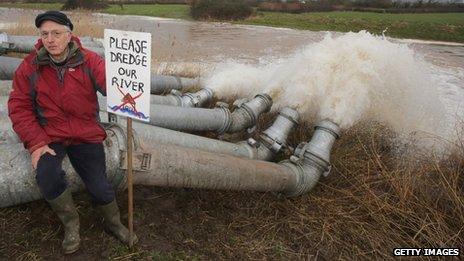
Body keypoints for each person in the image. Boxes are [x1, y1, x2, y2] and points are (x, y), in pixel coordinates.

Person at [7, 10, 137, 254]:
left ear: (69, 35)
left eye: (56, 33)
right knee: (47, 176)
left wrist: (126, 82)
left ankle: (114, 223)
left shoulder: (90, 61)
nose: (50, 39)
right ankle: (71, 225)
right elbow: (18, 106)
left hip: (85, 133)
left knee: (99, 185)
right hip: (50, 135)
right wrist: (35, 143)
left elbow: (112, 86)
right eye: (45, 34)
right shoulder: (31, 66)